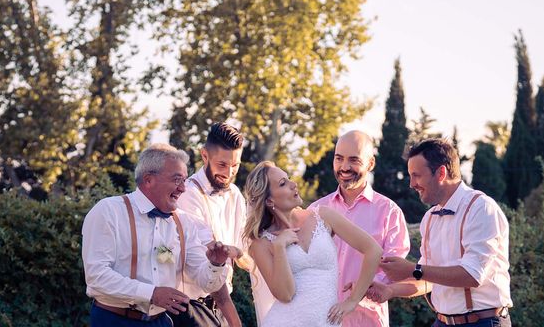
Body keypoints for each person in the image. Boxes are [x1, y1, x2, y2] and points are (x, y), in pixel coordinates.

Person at [82, 143, 234, 327]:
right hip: (114, 320)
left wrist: (216, 264)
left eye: (185, 180)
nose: (183, 189)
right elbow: (97, 276)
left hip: (161, 322)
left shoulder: (185, 223)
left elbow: (207, 283)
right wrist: (151, 293)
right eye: (177, 179)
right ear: (148, 180)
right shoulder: (108, 211)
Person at [378, 138, 512, 327]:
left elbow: (473, 275)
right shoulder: (430, 218)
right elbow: (425, 278)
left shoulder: (481, 208)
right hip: (442, 322)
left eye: (416, 175)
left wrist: (412, 269)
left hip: (483, 322)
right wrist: (389, 290)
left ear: (441, 173)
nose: (411, 184)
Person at [243, 161, 383, 326]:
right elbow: (286, 295)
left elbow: (373, 250)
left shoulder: (323, 216)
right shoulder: (261, 244)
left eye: (288, 179)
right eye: (283, 184)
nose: (293, 184)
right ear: (269, 201)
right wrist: (279, 247)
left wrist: (352, 301)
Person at [309, 130, 411, 327]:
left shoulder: (390, 212)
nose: (344, 167)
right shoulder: (315, 211)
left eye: (354, 160)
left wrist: (365, 288)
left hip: (367, 321)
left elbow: (394, 271)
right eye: (339, 159)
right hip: (319, 319)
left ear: (370, 163)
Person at [173, 122, 247, 327]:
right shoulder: (187, 194)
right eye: (222, 165)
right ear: (204, 155)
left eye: (235, 165)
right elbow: (211, 258)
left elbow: (247, 254)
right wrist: (235, 321)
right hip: (190, 309)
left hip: (221, 307)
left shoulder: (235, 195)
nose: (229, 173)